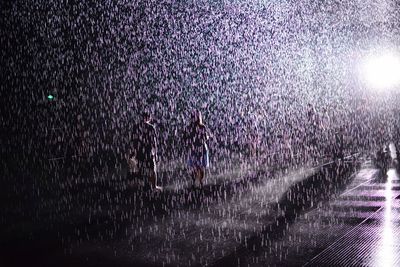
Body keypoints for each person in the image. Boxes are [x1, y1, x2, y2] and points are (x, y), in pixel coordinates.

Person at [133, 111, 161, 191]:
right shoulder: (151, 127)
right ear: (149, 118)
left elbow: (134, 140)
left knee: (142, 168)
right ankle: (153, 186)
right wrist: (155, 152)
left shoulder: (136, 127)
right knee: (152, 168)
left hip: (139, 151)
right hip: (148, 151)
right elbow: (153, 141)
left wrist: (134, 151)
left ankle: (145, 184)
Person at [184, 110, 210, 188]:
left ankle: (196, 182)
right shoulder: (200, 127)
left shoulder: (190, 127)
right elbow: (206, 137)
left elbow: (185, 138)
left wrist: (190, 142)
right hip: (199, 148)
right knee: (197, 167)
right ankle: (198, 182)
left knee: (196, 167)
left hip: (196, 148)